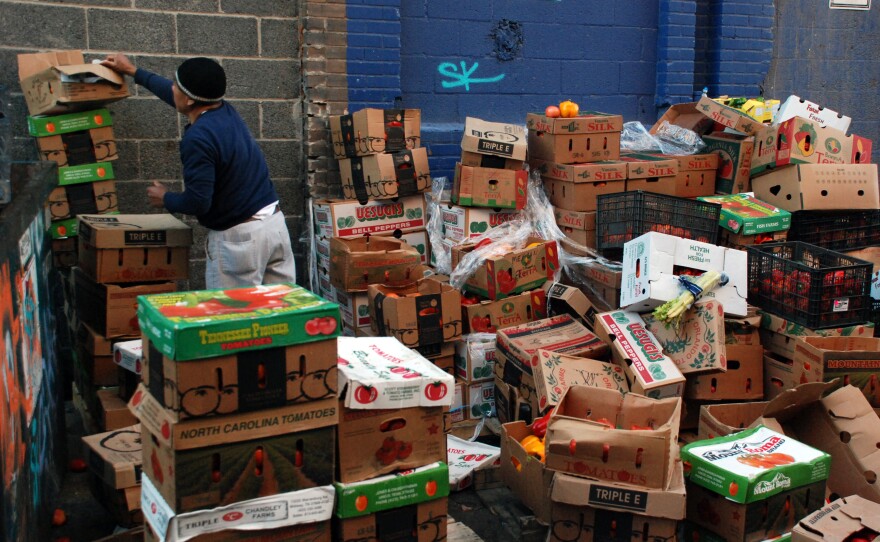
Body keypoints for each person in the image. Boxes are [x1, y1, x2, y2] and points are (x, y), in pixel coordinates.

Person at [100, 53, 297, 289]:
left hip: (241, 242)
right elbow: (174, 95)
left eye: (176, 85)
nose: (171, 88)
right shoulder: (224, 110)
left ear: (190, 100)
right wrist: (134, 72)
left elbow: (198, 203)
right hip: (273, 227)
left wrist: (165, 198)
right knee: (279, 317)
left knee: (231, 321)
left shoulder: (198, 138)